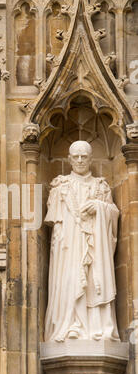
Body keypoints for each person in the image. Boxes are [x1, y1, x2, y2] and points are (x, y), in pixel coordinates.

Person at [44, 140, 120, 342]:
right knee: (70, 281)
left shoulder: (100, 187)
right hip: (69, 247)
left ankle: (96, 326)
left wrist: (99, 207)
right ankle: (71, 324)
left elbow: (114, 215)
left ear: (91, 159)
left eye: (84, 156)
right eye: (75, 156)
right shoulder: (60, 186)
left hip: (96, 247)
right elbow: (56, 225)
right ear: (69, 159)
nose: (79, 160)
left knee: (94, 281)